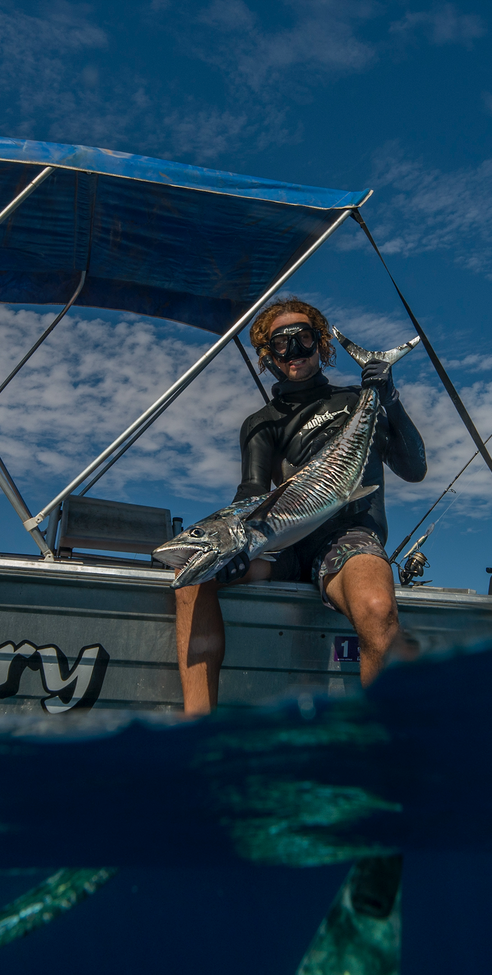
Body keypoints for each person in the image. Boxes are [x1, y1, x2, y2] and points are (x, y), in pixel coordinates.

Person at [173, 299, 426, 714]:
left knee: (378, 610)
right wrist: (238, 546)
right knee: (194, 577)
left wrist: (390, 397)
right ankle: (198, 730)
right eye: (282, 344)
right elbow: (252, 490)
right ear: (268, 355)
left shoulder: (357, 400)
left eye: (305, 339)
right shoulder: (262, 422)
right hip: (283, 542)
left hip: (348, 536)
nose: (294, 351)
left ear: (322, 345)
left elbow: (414, 469)